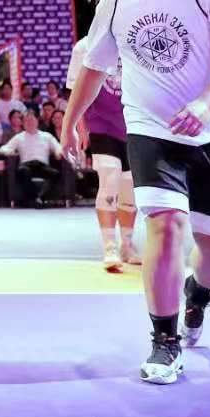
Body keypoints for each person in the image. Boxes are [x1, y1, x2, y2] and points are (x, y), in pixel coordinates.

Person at [61, 0, 210, 385]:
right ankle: (165, 341)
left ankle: (198, 293)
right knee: (166, 227)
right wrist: (70, 121)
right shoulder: (115, 1)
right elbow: (93, 66)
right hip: (150, 131)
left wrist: (205, 104)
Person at [69, 28, 141, 271]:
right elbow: (76, 90)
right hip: (99, 122)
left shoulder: (134, 41)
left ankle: (127, 244)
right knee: (110, 177)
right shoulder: (84, 47)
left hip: (133, 122)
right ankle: (110, 247)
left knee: (129, 184)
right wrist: (79, 127)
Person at [0, 105, 66, 208]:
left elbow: (58, 147)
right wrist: (10, 152)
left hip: (42, 165)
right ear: (23, 123)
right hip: (26, 166)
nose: (29, 123)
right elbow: (3, 149)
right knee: (22, 171)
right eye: (27, 121)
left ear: (37, 121)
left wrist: (58, 153)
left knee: (56, 174)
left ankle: (40, 197)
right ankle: (36, 198)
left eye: (32, 120)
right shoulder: (19, 137)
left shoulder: (46, 136)